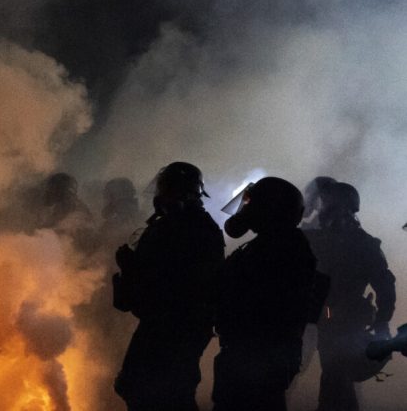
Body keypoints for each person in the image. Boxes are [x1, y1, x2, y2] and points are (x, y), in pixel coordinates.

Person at [113, 162, 225, 411]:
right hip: (170, 323)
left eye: (166, 190)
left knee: (164, 392)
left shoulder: (189, 230)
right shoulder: (192, 227)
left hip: (174, 326)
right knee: (143, 387)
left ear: (182, 193)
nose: (159, 197)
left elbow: (175, 282)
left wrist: (131, 267)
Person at [214, 177, 316, 411]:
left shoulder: (280, 250)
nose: (246, 211)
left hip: (258, 356)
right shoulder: (275, 244)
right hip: (254, 355)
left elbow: (257, 302)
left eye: (252, 205)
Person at [304, 182, 395, 411]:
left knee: (336, 381)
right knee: (336, 381)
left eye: (325, 205)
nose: (321, 210)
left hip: (343, 322)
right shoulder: (326, 238)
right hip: (322, 319)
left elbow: (385, 285)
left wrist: (383, 322)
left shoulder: (361, 244)